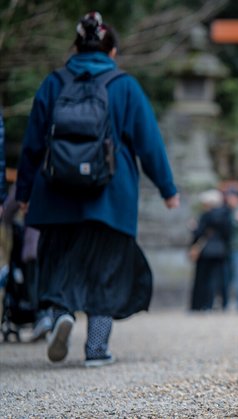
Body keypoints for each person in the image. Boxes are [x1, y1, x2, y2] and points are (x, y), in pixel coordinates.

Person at [15, 12, 180, 367]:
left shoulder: (53, 83)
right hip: (110, 197)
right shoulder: (124, 86)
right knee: (106, 272)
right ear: (113, 51)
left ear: (75, 47)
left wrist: (24, 194)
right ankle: (96, 348)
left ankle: (61, 314)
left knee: (58, 262)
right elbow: (148, 142)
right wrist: (168, 189)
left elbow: (31, 144)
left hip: (55, 194)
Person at [189, 189, 231, 311]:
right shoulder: (225, 214)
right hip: (220, 250)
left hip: (206, 251)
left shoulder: (206, 215)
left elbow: (199, 232)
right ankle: (216, 304)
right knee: (217, 279)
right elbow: (228, 233)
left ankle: (202, 305)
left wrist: (193, 229)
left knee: (203, 279)